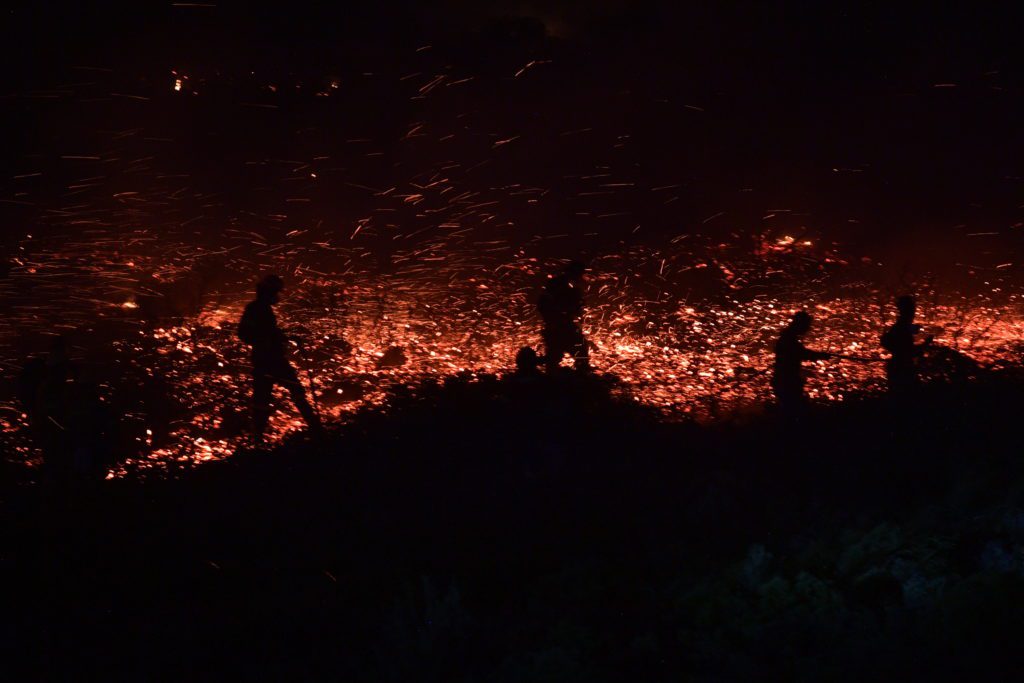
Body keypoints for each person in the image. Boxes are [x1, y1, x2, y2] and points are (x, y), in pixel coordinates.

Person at [238, 275, 321, 442]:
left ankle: (257, 438)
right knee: (292, 390)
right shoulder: (257, 309)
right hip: (270, 360)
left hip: (265, 359)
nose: (278, 296)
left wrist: (286, 337)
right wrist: (268, 340)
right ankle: (316, 428)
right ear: (268, 292)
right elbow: (246, 334)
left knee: (263, 397)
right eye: (275, 292)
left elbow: (268, 331)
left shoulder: (261, 308)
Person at [771, 311, 832, 409]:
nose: (808, 329)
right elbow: (801, 353)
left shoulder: (787, 337)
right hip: (787, 381)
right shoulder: (789, 339)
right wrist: (821, 356)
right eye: (806, 325)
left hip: (783, 380)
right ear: (800, 324)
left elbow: (800, 352)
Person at [538, 261, 590, 372]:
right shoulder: (562, 286)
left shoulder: (566, 286)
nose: (581, 277)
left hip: (559, 328)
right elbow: (543, 303)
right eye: (580, 274)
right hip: (559, 328)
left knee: (554, 359)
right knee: (579, 354)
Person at [881, 295, 930, 394]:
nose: (914, 313)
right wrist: (926, 344)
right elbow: (908, 351)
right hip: (903, 370)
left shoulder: (900, 326)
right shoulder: (902, 328)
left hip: (897, 368)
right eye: (912, 310)